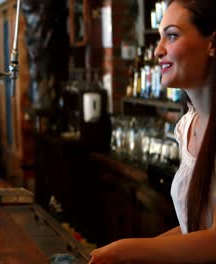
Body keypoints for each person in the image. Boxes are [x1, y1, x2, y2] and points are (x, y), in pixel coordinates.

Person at [89, 0, 216, 263]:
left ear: (212, 44)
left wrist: (125, 251)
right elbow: (194, 229)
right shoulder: (187, 126)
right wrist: (134, 251)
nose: (158, 50)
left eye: (171, 36)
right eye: (159, 38)